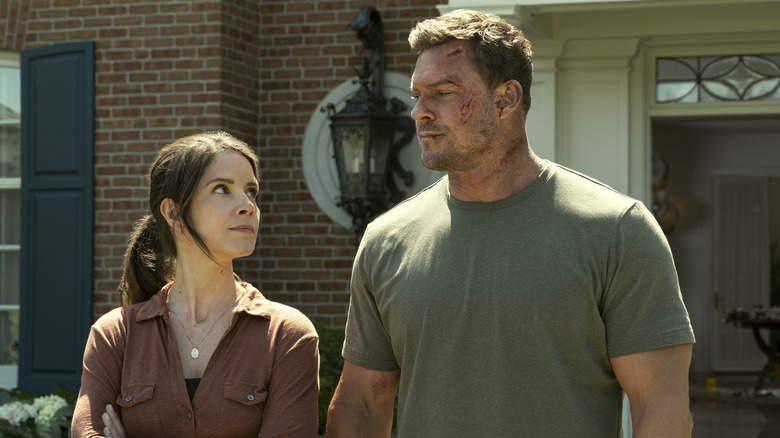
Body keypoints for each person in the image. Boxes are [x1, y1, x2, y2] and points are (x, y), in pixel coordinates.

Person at [326, 9, 695, 438]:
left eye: (442, 92)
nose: (418, 112)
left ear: (506, 99)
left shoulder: (617, 230)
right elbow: (362, 404)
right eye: (417, 94)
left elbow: (660, 405)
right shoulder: (386, 240)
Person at [72, 131, 320, 437]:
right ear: (173, 213)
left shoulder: (286, 335)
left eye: (251, 192)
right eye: (222, 189)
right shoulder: (115, 336)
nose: (247, 206)